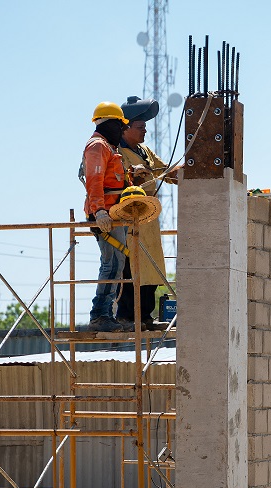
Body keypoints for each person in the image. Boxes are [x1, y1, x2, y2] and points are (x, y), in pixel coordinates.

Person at [115, 96, 179, 331]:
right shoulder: (117, 153)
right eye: (140, 127)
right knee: (130, 268)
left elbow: (166, 172)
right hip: (127, 218)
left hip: (148, 219)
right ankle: (127, 316)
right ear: (125, 128)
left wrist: (188, 166)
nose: (145, 131)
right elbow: (119, 179)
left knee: (151, 267)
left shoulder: (144, 151)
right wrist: (136, 172)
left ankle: (145, 316)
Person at [82, 102, 130, 332]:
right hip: (106, 215)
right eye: (120, 125)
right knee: (111, 263)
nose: (122, 130)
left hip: (114, 214)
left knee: (117, 263)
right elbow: (94, 180)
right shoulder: (97, 146)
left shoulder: (108, 148)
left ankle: (105, 313)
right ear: (109, 123)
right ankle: (100, 314)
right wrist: (99, 210)